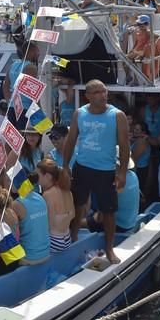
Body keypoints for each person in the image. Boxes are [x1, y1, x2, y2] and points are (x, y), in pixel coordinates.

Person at [61, 79, 130, 264]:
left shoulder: (117, 115)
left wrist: (122, 172)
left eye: (104, 91)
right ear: (88, 96)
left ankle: (109, 249)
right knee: (77, 205)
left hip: (105, 171)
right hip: (82, 167)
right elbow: (71, 139)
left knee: (109, 211)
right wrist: (65, 164)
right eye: (98, 92)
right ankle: (73, 238)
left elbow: (124, 146)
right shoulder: (79, 113)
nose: (103, 95)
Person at [83, 151, 140, 233]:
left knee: (75, 224)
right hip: (130, 223)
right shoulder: (133, 175)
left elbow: (99, 218)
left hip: (118, 226)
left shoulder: (111, 183)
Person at [11, 173, 50, 265]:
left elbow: (12, 235)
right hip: (46, 252)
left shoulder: (16, 205)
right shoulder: (40, 197)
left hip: (29, 257)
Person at [36, 159, 74, 252]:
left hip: (55, 242)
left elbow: (47, 224)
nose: (36, 179)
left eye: (38, 176)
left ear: (48, 176)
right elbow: (73, 215)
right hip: (67, 239)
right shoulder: (67, 191)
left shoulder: (47, 195)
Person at [3, 41, 39, 128]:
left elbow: (5, 85)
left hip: (12, 106)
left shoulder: (13, 65)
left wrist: (9, 101)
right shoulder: (31, 68)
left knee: (15, 137)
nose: (38, 54)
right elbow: (33, 92)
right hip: (25, 108)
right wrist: (39, 110)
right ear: (31, 51)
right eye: (37, 51)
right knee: (25, 135)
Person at [131, 121, 151, 207]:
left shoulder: (141, 142)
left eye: (137, 130)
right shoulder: (139, 139)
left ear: (143, 132)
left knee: (139, 192)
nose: (135, 131)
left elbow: (134, 158)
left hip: (139, 170)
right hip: (140, 168)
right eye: (135, 129)